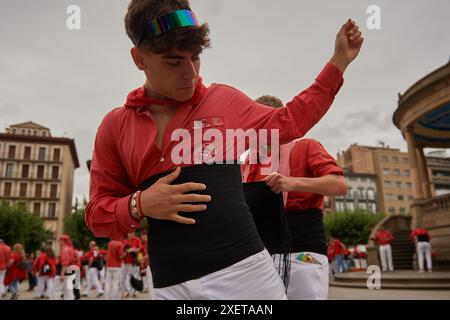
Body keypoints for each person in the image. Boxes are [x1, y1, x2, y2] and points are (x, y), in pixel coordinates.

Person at [86, 0, 363, 300]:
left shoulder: (224, 100)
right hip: (168, 285)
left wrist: (339, 62)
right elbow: (97, 217)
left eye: (196, 57)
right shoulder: (115, 125)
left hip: (243, 275)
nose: (190, 73)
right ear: (139, 59)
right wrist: (139, 204)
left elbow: (290, 120)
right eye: (173, 61)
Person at [241, 95, 348, 300]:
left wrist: (292, 182)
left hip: (303, 249)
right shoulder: (246, 162)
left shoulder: (306, 146)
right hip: (262, 254)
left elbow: (339, 186)